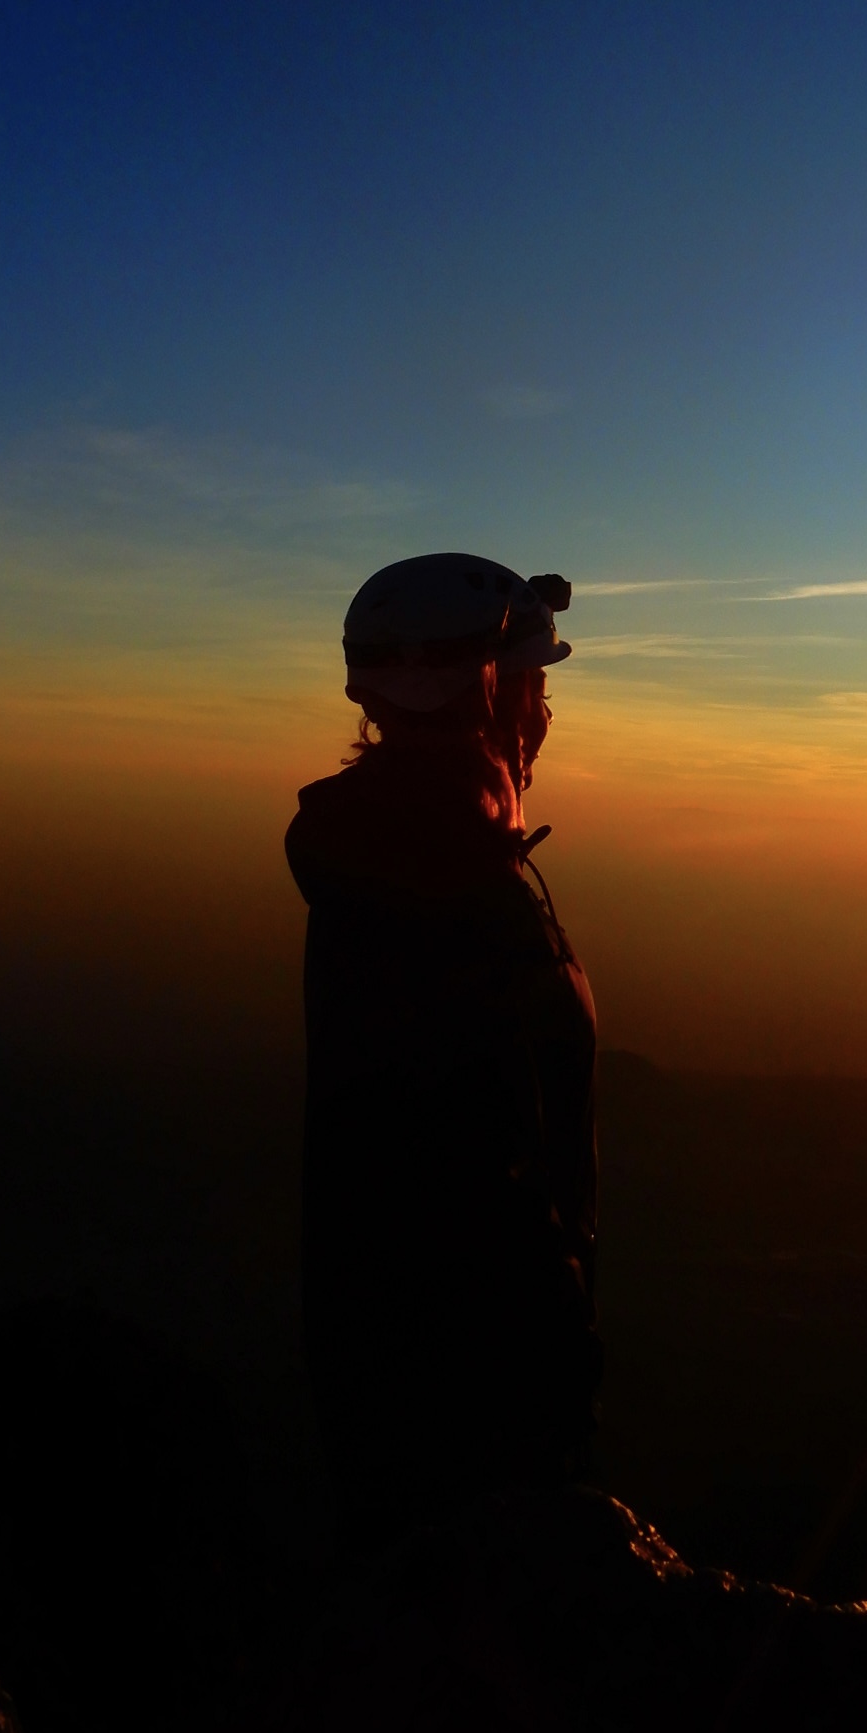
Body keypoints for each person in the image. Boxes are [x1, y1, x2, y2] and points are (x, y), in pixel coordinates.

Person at [285, 553, 600, 1548]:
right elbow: (482, 1177)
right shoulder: (455, 899)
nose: (546, 711)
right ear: (494, 690)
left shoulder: (384, 860)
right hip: (473, 1410)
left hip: (397, 1384)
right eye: (536, 681)